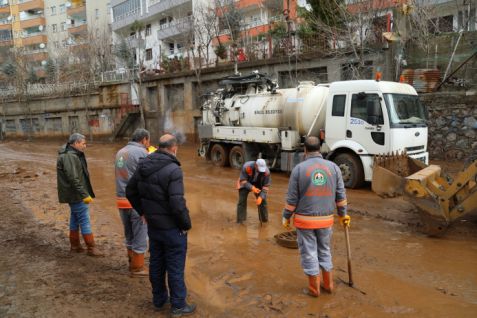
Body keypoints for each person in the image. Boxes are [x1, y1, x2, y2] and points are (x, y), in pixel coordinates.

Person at [126, 133, 196, 316]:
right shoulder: (174, 169)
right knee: (175, 267)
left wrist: (143, 212)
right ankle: (179, 305)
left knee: (157, 263)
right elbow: (177, 204)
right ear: (173, 148)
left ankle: (158, 300)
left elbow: (130, 191)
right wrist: (186, 224)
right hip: (172, 228)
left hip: (154, 227)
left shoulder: (143, 164)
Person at [282, 136, 350, 297]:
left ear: (304, 150)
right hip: (326, 220)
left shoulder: (299, 169)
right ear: (320, 149)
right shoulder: (334, 168)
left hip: (305, 222)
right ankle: (329, 285)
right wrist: (343, 215)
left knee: (309, 253)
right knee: (324, 250)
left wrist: (286, 217)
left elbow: (292, 199)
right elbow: (341, 196)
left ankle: (314, 290)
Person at [57, 133, 103, 257]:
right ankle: (91, 248)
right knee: (84, 219)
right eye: (83, 143)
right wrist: (84, 194)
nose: (85, 146)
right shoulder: (70, 156)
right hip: (76, 194)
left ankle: (75, 246)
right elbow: (73, 178)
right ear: (76, 143)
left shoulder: (70, 154)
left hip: (73, 194)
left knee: (75, 218)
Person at [115, 128, 151, 277]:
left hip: (121, 200)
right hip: (136, 202)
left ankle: (131, 261)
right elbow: (148, 177)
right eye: (148, 141)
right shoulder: (142, 153)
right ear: (144, 139)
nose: (148, 144)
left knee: (129, 234)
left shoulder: (120, 152)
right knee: (140, 234)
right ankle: (138, 267)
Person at [236, 159, 271, 224]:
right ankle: (240, 220)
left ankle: (264, 220)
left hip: (258, 183)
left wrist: (260, 197)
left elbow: (266, 187)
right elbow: (243, 180)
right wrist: (252, 188)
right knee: (242, 200)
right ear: (255, 165)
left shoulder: (266, 172)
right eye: (259, 168)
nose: (261, 171)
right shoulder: (247, 166)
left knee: (263, 201)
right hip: (246, 181)